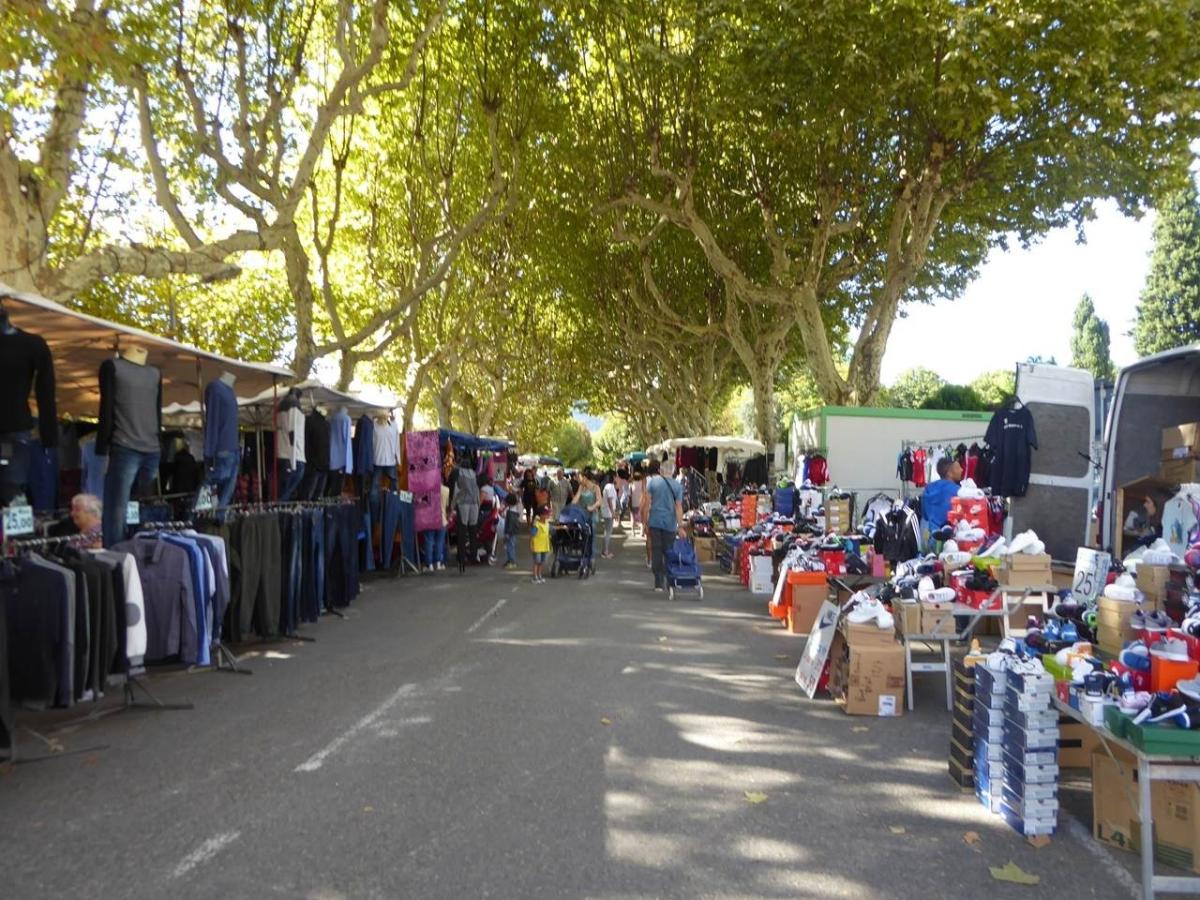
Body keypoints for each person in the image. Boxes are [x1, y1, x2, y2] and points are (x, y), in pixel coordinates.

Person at [641, 458, 684, 592]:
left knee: (657, 550)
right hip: (670, 524)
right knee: (668, 551)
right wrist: (680, 526)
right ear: (673, 471)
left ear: (661, 470)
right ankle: (668, 578)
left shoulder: (653, 482)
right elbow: (678, 507)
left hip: (654, 521)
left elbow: (647, 503)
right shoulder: (677, 486)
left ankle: (658, 582)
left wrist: (644, 521)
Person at [922, 456, 962, 548]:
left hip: (929, 538)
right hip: (949, 540)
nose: (961, 469)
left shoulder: (927, 489)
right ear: (949, 473)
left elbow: (925, 515)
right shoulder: (958, 491)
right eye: (957, 468)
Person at [530, 504, 552, 583]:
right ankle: (535, 576)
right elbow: (532, 534)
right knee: (537, 562)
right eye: (546, 514)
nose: (547, 515)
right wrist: (532, 545)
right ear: (541, 515)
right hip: (537, 546)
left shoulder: (547, 523)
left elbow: (551, 529)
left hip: (544, 546)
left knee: (542, 562)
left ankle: (539, 575)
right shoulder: (536, 524)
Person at [600, 470, 618, 558]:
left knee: (606, 531)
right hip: (608, 512)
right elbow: (610, 500)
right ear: (613, 477)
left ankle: (604, 550)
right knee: (608, 532)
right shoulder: (610, 487)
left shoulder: (607, 486)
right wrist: (613, 512)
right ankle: (606, 551)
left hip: (606, 511)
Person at [502, 493, 521, 569]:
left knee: (510, 547)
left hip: (510, 532)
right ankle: (509, 560)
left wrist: (507, 533)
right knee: (510, 546)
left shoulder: (510, 512)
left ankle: (512, 561)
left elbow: (510, 524)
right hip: (513, 532)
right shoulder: (514, 511)